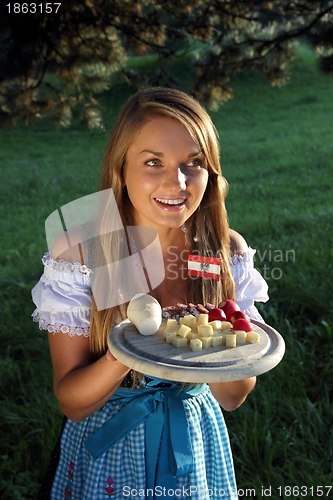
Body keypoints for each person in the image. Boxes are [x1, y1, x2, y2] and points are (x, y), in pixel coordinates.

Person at [32, 87, 269, 500]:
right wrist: (127, 349)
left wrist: (217, 331)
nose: (176, 182)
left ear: (210, 172)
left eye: (192, 163)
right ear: (121, 168)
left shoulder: (221, 252)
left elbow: (234, 396)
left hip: (191, 440)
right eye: (153, 162)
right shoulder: (84, 253)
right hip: (109, 447)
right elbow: (72, 402)